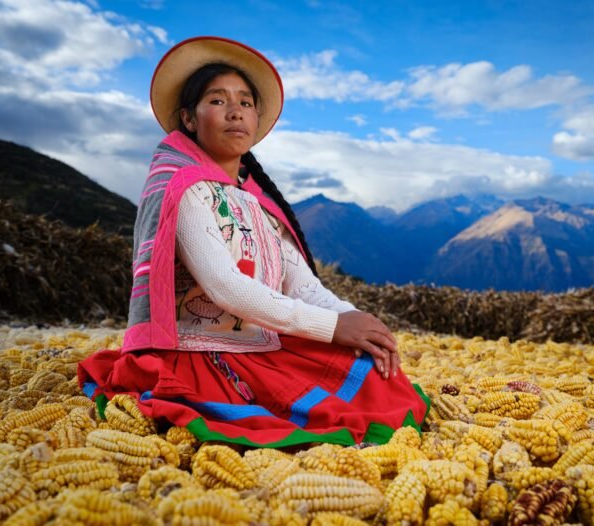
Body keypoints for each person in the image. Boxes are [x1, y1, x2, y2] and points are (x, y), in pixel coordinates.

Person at [78, 36, 429, 447]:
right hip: (198, 352)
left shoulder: (257, 202)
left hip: (258, 343)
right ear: (188, 118)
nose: (235, 111)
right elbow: (226, 287)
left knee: (373, 372)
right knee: (316, 414)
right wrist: (333, 327)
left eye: (245, 103)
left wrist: (360, 322)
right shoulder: (184, 189)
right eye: (217, 100)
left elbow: (302, 287)